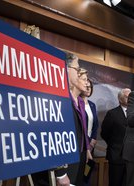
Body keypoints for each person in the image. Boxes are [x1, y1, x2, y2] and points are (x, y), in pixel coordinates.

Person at [32, 52, 91, 186]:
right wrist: (61, 173)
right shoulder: (55, 95)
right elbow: (50, 134)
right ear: (66, 68)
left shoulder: (65, 95)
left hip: (72, 159)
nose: (78, 73)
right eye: (76, 69)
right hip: (55, 169)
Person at [101, 88, 131, 186]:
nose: (130, 99)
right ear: (120, 99)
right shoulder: (112, 114)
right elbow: (104, 133)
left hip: (131, 157)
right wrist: (114, 144)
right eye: (127, 97)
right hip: (116, 156)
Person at [80, 79, 99, 152]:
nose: (88, 89)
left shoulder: (92, 105)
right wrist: (89, 140)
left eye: (90, 87)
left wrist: (93, 139)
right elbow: (79, 125)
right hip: (81, 141)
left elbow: (95, 124)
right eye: (86, 86)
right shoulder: (76, 103)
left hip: (91, 144)